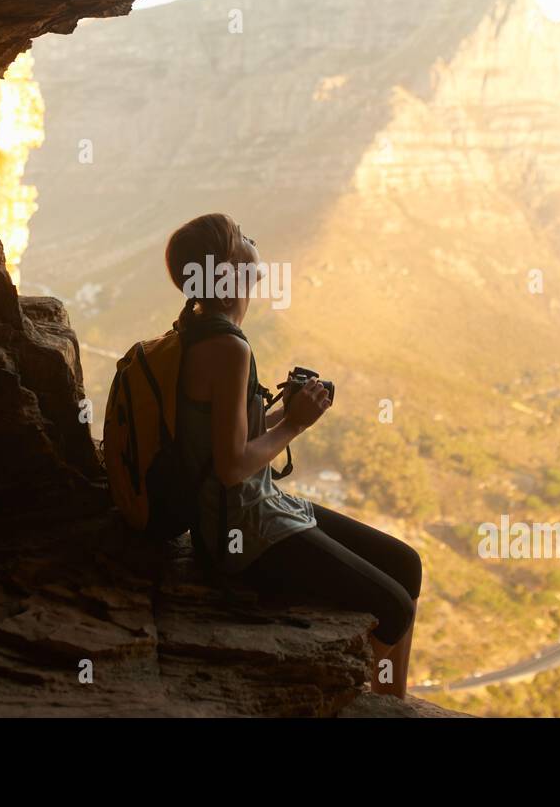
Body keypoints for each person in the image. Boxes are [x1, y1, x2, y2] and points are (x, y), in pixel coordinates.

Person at [166, 212, 422, 698]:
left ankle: (388, 699)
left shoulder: (200, 330)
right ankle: (388, 707)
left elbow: (224, 441)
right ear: (225, 270)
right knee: (398, 607)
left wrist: (283, 411)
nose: (252, 237)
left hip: (251, 511)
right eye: (241, 236)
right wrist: (296, 424)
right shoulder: (227, 347)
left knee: (406, 564)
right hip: (241, 531)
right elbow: (231, 465)